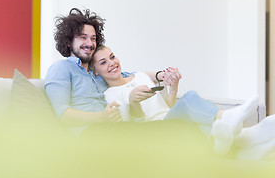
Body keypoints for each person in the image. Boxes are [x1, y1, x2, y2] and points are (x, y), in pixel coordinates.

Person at [90, 45, 260, 155]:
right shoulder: (110, 95)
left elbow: (166, 108)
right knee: (190, 98)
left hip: (168, 118)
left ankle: (239, 142)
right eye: (103, 62)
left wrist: (174, 88)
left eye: (112, 57)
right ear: (96, 71)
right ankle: (233, 125)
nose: (111, 63)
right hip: (152, 130)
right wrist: (134, 102)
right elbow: (133, 129)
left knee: (202, 108)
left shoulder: (141, 76)